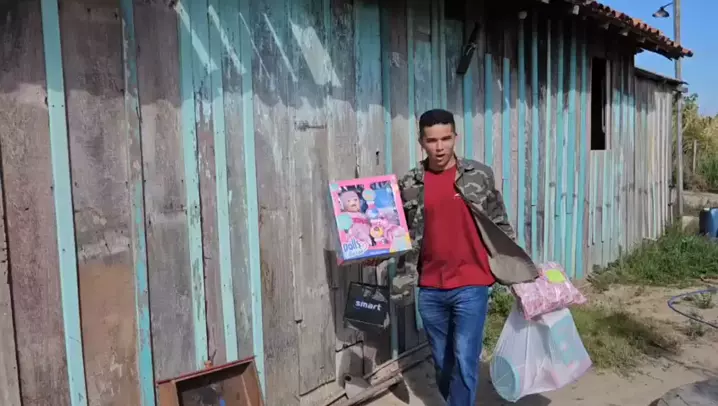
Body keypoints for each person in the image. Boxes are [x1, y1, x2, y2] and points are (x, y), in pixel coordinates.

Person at [390, 109, 539, 405]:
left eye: (446, 138)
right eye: (432, 140)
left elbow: (500, 222)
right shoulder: (409, 183)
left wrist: (517, 269)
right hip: (430, 286)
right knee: (442, 362)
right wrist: (374, 253)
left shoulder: (479, 175)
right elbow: (397, 233)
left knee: (464, 357)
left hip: (472, 283)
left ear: (455, 137)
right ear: (422, 142)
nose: (440, 147)